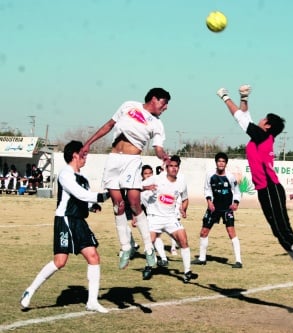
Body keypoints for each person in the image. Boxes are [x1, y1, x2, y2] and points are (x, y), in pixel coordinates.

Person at [216, 85, 293, 290]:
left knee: (285, 231)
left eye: (263, 120)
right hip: (264, 191)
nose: (259, 121)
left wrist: (225, 97)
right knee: (278, 233)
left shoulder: (263, 136)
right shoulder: (260, 137)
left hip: (271, 189)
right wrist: (244, 98)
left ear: (268, 126)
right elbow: (246, 115)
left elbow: (241, 119)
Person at [81, 87, 171, 271]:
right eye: (164, 102)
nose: (166, 107)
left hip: (132, 160)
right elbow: (109, 125)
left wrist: (163, 157)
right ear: (154, 99)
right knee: (118, 205)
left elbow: (158, 148)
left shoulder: (157, 124)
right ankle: (125, 247)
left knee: (134, 203)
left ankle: (148, 248)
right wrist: (88, 143)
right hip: (114, 159)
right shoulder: (129, 105)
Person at [20, 140, 110, 313]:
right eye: (83, 153)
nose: (86, 157)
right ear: (75, 155)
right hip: (65, 219)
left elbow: (82, 199)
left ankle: (92, 301)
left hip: (79, 221)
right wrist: (105, 196)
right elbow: (80, 194)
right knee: (60, 262)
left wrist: (93, 206)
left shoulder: (82, 178)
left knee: (93, 256)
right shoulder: (65, 174)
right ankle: (30, 291)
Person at [141, 155, 198, 283]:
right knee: (149, 242)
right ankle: (148, 267)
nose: (173, 168)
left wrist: (184, 209)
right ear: (166, 167)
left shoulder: (181, 182)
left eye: (176, 166)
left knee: (183, 240)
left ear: (178, 167)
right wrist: (146, 187)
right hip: (154, 218)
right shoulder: (156, 178)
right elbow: (137, 187)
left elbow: (185, 198)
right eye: (171, 166)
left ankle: (187, 272)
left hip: (171, 218)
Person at [192, 152, 242, 268]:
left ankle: (238, 261)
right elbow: (207, 189)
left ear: (226, 164)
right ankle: (202, 258)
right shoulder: (210, 175)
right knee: (203, 232)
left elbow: (237, 192)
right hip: (213, 208)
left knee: (231, 233)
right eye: (219, 161)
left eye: (223, 161)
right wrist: (209, 202)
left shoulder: (230, 177)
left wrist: (236, 203)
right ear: (216, 163)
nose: (221, 163)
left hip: (226, 209)